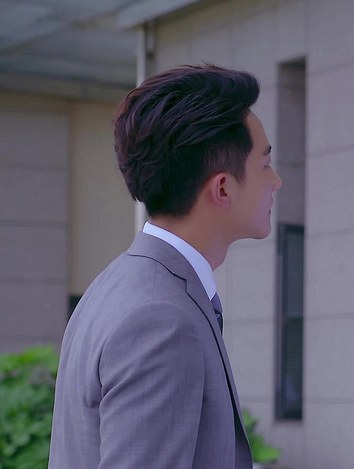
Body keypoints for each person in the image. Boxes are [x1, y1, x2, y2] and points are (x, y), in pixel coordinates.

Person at [49, 65, 282, 468]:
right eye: (265, 164)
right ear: (223, 188)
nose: (276, 181)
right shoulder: (160, 318)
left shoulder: (118, 285)